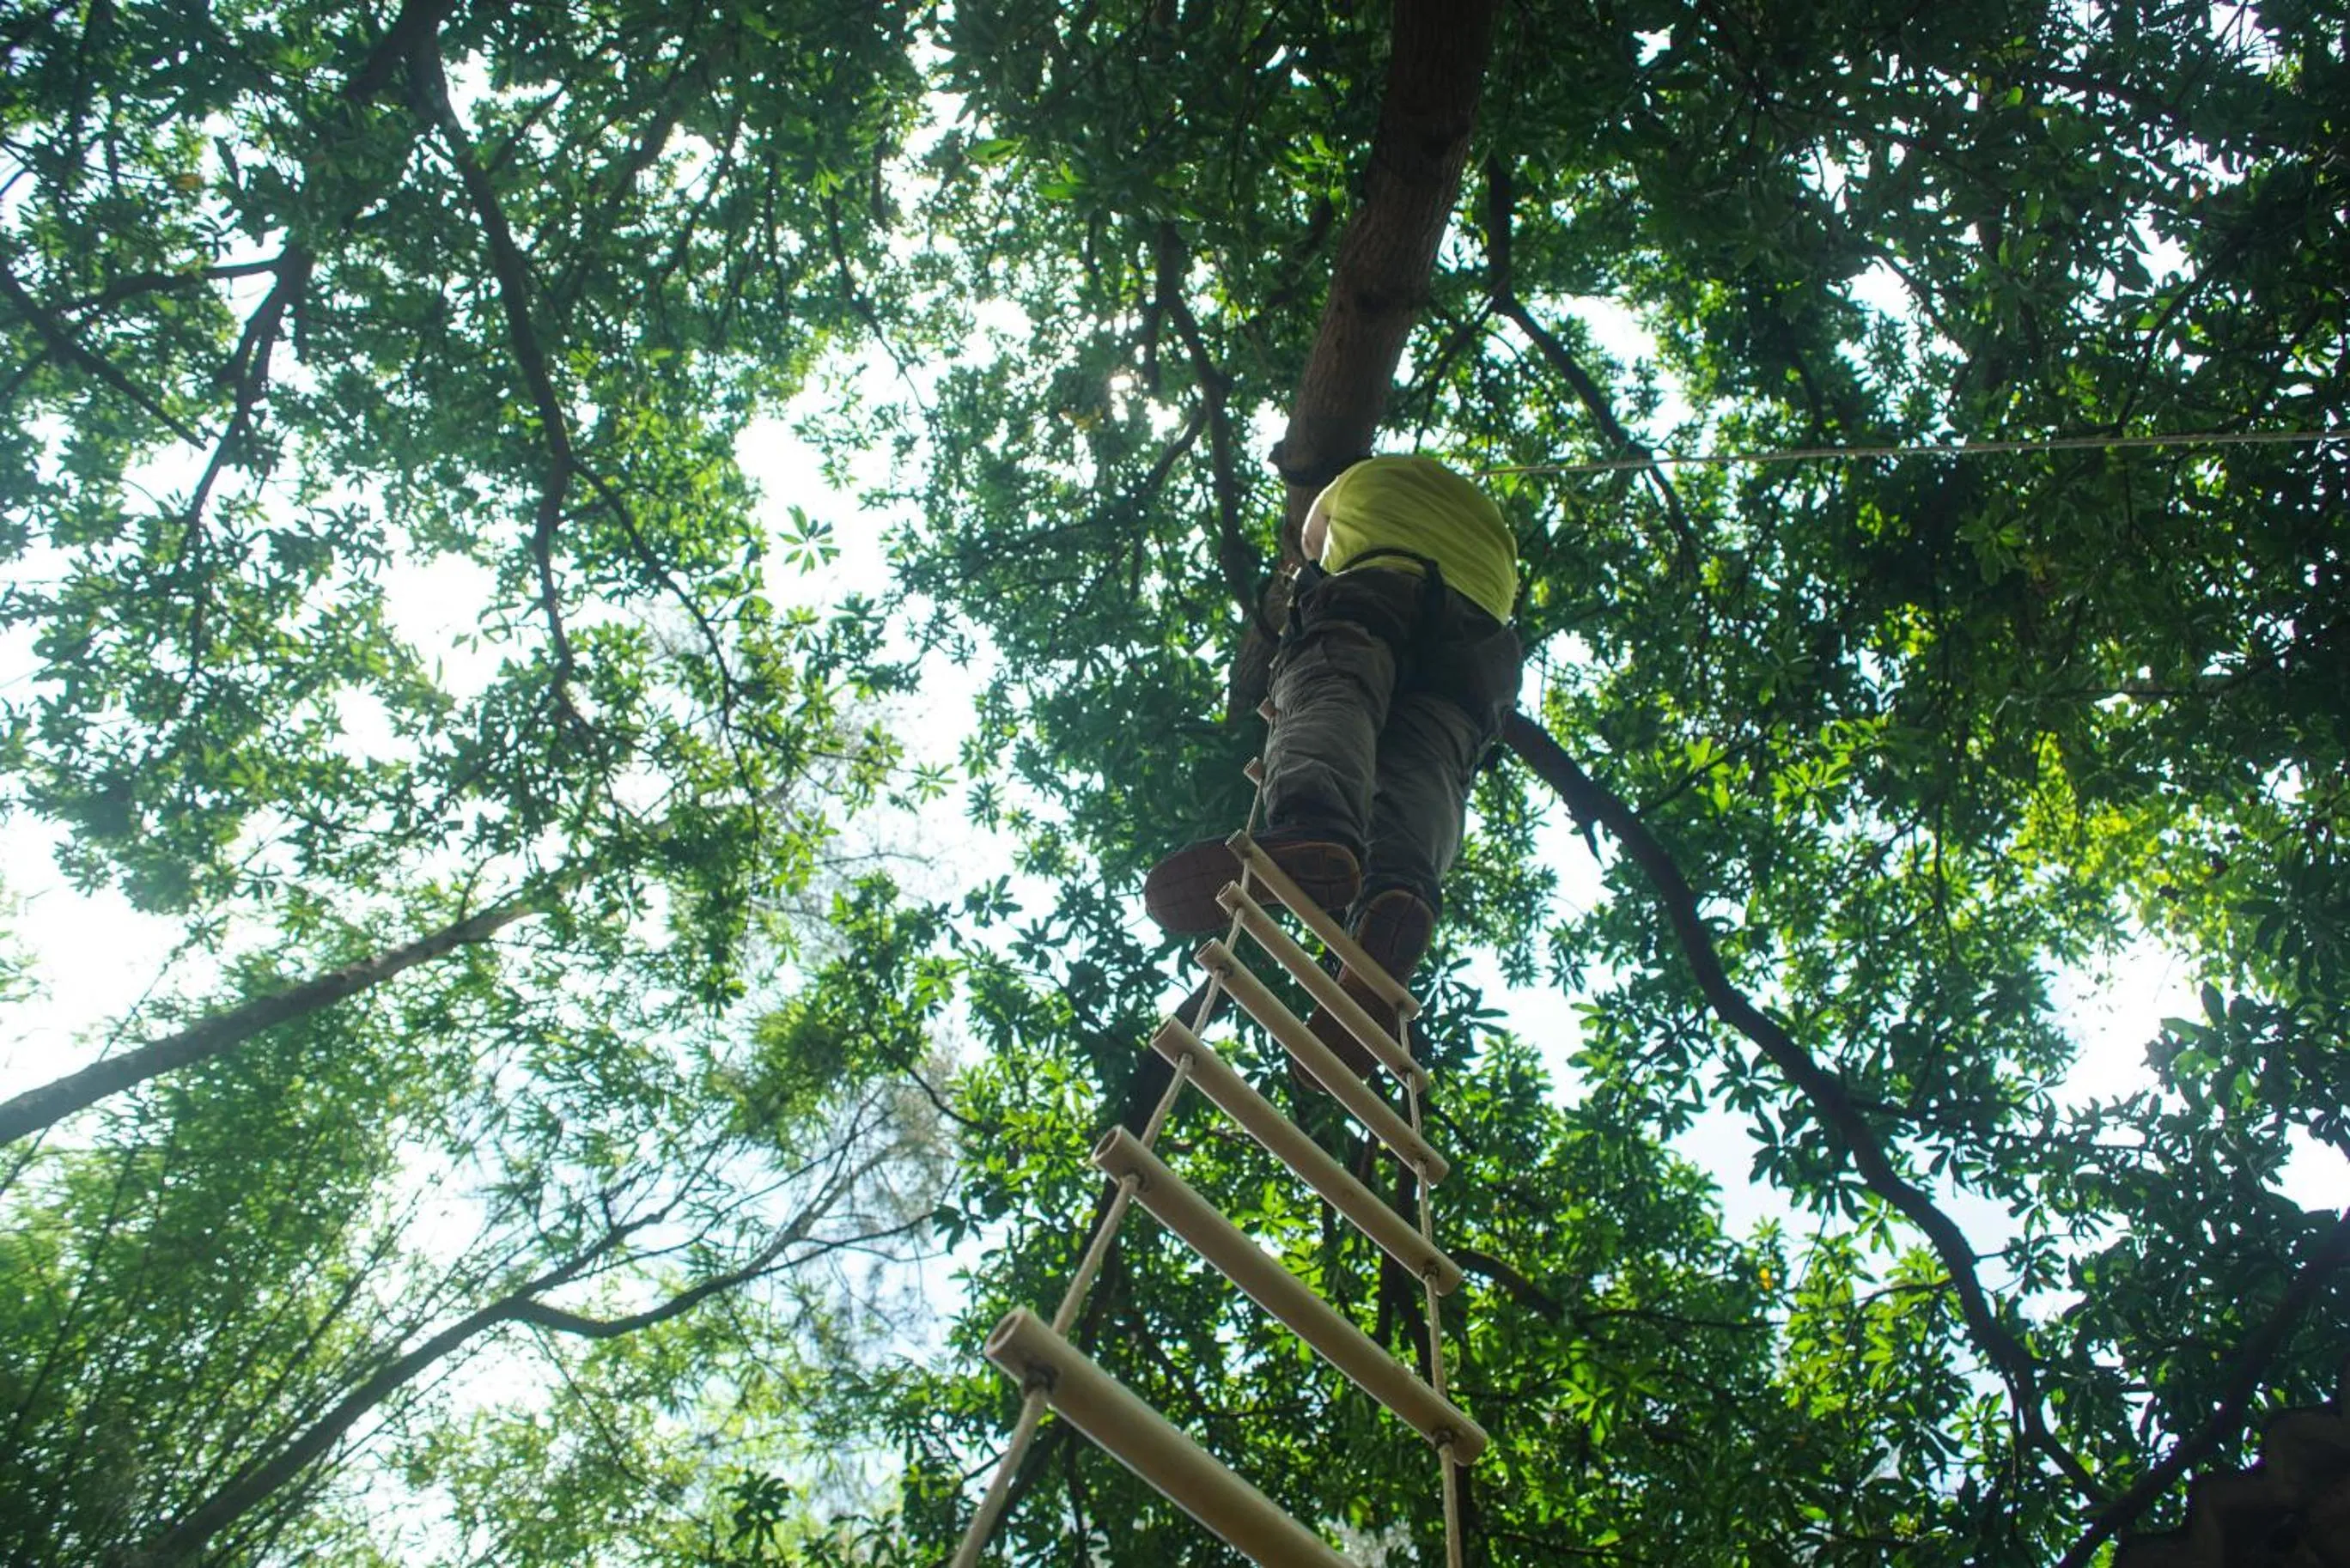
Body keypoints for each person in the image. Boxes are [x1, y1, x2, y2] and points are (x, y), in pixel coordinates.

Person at [1144, 453, 1522, 1084]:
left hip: (1382, 579)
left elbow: (1313, 546)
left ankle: (1313, 824)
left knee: (1334, 683)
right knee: (1430, 756)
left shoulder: (1353, 483)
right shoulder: (1493, 530)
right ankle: (1399, 891)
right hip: (1481, 635)